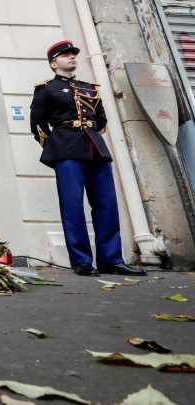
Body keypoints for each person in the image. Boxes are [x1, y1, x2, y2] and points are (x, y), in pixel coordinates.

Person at [29, 40, 146, 277]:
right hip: (66, 150)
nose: (72, 57)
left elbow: (100, 121)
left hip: (96, 148)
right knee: (73, 206)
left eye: (73, 54)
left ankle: (111, 260)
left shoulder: (90, 88)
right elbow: (38, 124)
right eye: (65, 55)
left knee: (107, 205)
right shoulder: (46, 89)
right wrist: (57, 146)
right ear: (54, 64)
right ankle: (81, 261)